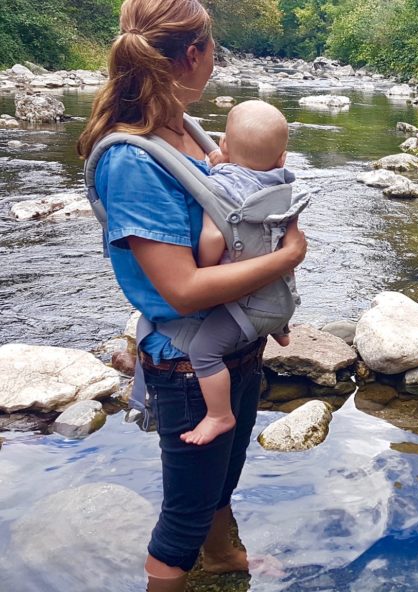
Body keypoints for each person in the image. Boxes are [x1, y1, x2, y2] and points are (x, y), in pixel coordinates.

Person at [76, 1, 307, 591]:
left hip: (234, 341)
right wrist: (287, 257)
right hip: (187, 361)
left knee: (219, 482)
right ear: (196, 54)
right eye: (215, 48)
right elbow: (180, 291)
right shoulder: (131, 158)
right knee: (181, 522)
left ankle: (226, 558)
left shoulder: (187, 130)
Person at [182, 99, 299, 446]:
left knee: (203, 351)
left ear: (224, 146)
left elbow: (212, 237)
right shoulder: (283, 183)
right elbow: (249, 175)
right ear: (282, 158)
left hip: (245, 304)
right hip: (282, 296)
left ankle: (219, 414)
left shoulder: (219, 189)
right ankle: (282, 331)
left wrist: (203, 266)